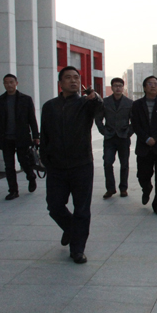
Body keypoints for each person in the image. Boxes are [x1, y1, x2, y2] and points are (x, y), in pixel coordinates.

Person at [40, 66, 103, 264]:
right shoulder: (49, 106)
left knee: (81, 209)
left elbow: (100, 108)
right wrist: (45, 159)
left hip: (81, 164)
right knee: (54, 206)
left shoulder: (86, 104)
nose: (73, 80)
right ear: (60, 83)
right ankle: (70, 229)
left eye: (76, 77)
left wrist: (95, 97)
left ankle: (77, 249)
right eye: (68, 77)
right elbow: (44, 134)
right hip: (56, 166)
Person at [0, 74, 40, 200]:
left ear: (16, 83)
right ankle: (13, 190)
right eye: (6, 82)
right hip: (6, 138)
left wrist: (36, 136)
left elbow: (32, 119)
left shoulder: (25, 99)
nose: (9, 85)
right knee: (9, 166)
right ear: (3, 84)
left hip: (22, 137)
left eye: (11, 82)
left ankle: (31, 176)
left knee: (24, 161)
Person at [131, 76, 157, 216]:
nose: (153, 86)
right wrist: (146, 138)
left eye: (156, 84)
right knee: (143, 175)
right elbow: (135, 124)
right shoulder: (137, 105)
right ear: (144, 87)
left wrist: (155, 138)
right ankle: (146, 188)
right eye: (150, 83)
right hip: (143, 147)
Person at [95, 77, 134, 199]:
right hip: (109, 137)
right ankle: (110, 188)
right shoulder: (105, 102)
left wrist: (129, 132)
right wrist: (103, 131)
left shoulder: (129, 103)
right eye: (115, 86)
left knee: (124, 164)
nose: (118, 88)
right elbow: (98, 119)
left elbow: (134, 120)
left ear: (123, 88)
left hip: (123, 137)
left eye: (120, 86)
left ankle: (123, 188)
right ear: (111, 87)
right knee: (107, 163)